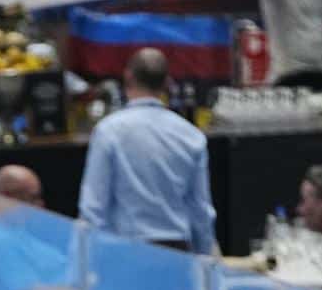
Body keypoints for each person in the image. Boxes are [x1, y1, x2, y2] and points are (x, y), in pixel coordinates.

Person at [79, 48, 218, 254]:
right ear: (167, 83)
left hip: (126, 252)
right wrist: (204, 261)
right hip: (177, 253)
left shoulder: (108, 131)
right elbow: (201, 211)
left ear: (128, 76)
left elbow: (93, 208)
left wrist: (87, 266)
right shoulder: (191, 135)